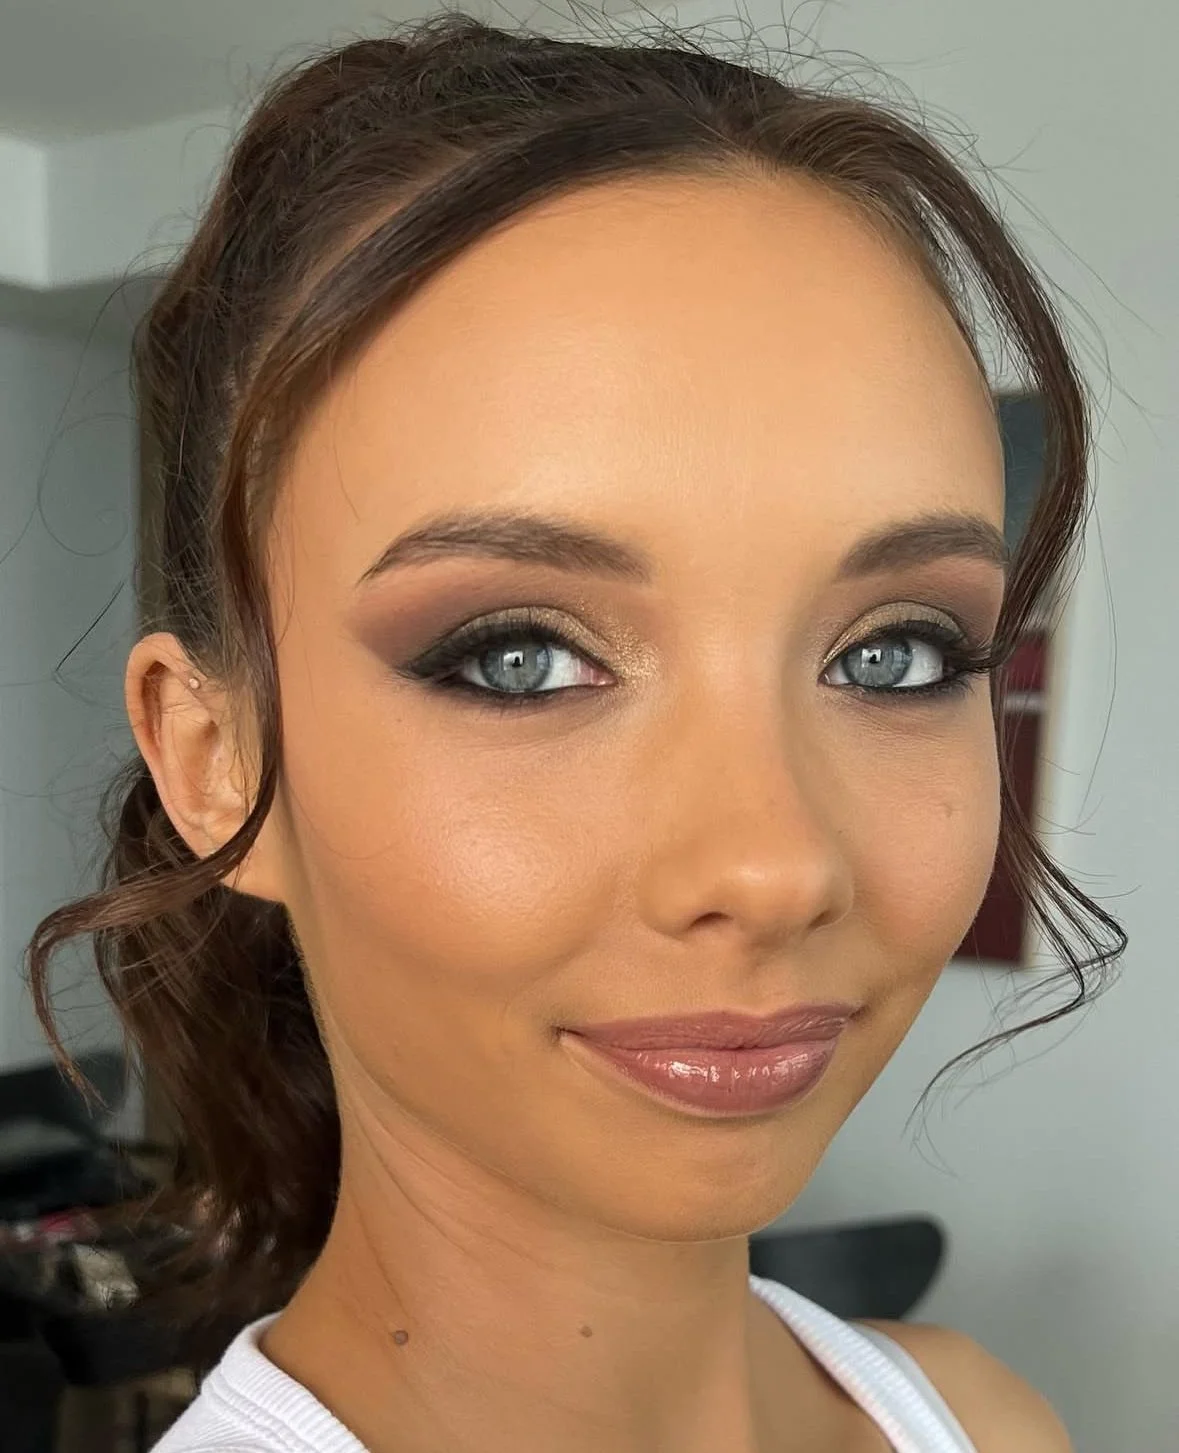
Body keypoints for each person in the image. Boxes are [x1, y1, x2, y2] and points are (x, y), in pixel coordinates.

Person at [28, 13, 1124, 1452]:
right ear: (215, 762)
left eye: (893, 654)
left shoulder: (981, 1420)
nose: (777, 868)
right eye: (521, 659)